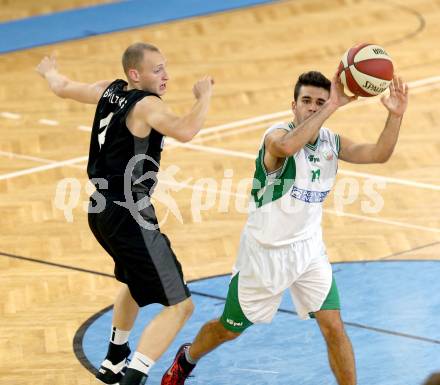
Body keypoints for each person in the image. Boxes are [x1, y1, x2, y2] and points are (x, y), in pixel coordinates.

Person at [161, 70, 409, 385]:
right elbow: (289, 147)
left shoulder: (332, 142)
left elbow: (378, 154)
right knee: (229, 328)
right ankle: (187, 358)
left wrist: (395, 116)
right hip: (265, 255)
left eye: (320, 101)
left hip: (309, 252)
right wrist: (332, 105)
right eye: (307, 101)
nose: (313, 106)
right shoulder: (276, 136)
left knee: (333, 326)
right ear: (293, 105)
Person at [36, 42, 214, 385]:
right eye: (157, 69)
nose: (166, 75)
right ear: (135, 74)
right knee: (181, 306)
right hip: (129, 214)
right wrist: (203, 96)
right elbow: (186, 130)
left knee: (134, 280)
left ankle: (115, 359)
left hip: (100, 211)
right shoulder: (147, 106)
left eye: (165, 67)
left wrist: (49, 72)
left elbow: (63, 88)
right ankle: (134, 377)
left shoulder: (109, 90)